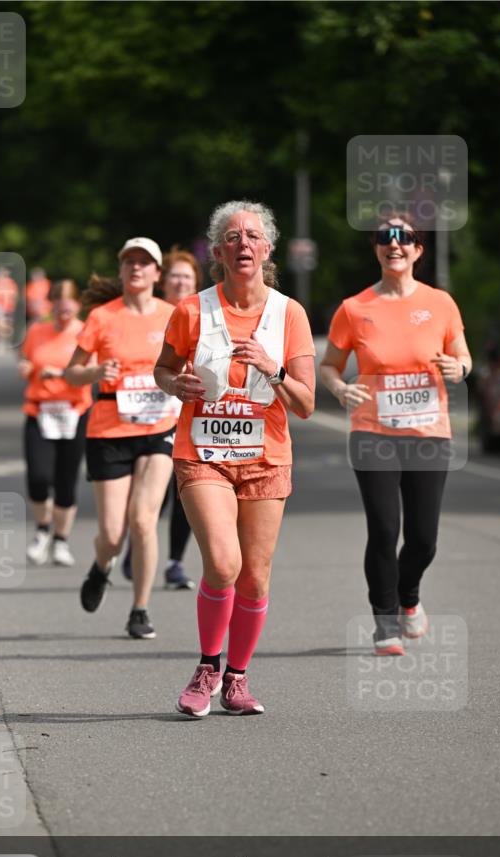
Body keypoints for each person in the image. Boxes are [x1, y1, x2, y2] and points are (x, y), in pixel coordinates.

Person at [154, 201, 315, 717]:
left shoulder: (289, 314)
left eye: (252, 235)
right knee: (223, 564)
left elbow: (307, 404)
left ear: (266, 249)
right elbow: (162, 370)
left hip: (266, 459)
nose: (242, 242)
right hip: (203, 453)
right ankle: (207, 666)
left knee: (255, 577)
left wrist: (273, 369)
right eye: (231, 236)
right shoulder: (191, 311)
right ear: (218, 251)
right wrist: (174, 383)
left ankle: (238, 679)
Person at [319, 213, 472, 655]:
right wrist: (341, 387)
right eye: (385, 238)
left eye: (405, 238)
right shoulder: (355, 308)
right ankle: (384, 622)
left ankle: (409, 598)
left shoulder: (440, 303)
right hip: (373, 433)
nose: (395, 244)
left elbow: (464, 357)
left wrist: (458, 368)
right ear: (376, 249)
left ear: (418, 249)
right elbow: (329, 365)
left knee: (423, 538)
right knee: (384, 529)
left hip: (429, 434)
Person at [65, 237, 176, 639]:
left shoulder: (173, 315)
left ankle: (140, 608)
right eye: (129, 261)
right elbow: (70, 373)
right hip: (109, 430)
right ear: (122, 269)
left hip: (158, 428)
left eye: (145, 262)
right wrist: (95, 374)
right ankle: (101, 566)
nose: (136, 268)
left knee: (144, 520)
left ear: (157, 274)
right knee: (112, 535)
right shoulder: (102, 317)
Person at [121, 247, 203, 589]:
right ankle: (137, 542)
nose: (182, 282)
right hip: (150, 418)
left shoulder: (202, 313)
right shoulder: (150, 315)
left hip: (189, 416)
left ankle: (173, 561)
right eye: (176, 276)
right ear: (163, 280)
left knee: (186, 492)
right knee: (155, 494)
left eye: (188, 276)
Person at [19, 280, 91, 567]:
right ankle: (41, 531)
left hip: (74, 412)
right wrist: (25, 368)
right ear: (52, 306)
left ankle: (61, 540)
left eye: (69, 304)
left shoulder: (85, 332)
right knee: (38, 476)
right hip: (39, 411)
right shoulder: (37, 331)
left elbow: (90, 373)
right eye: (59, 304)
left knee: (66, 478)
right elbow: (27, 360)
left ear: (78, 305)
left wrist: (60, 374)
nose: (64, 310)